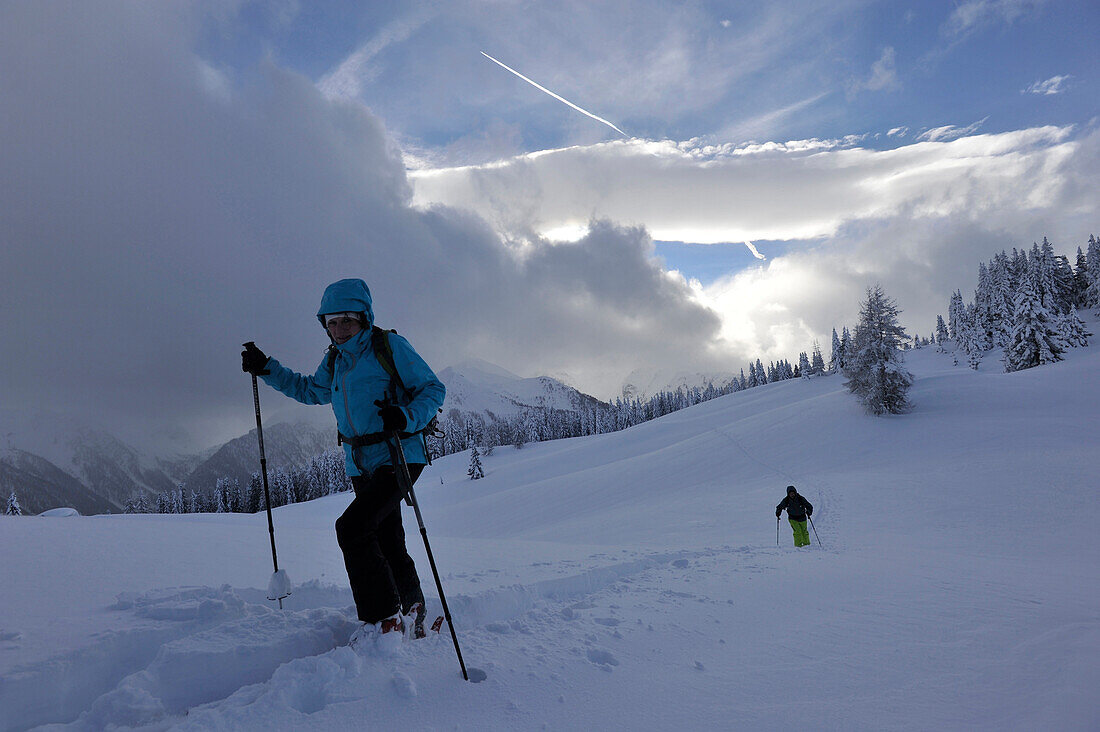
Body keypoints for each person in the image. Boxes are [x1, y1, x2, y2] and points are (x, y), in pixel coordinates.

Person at [242, 278, 446, 646]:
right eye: (331, 323)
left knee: (351, 528)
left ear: (364, 319)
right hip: (360, 461)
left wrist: (404, 415)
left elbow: (432, 389)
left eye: (346, 321)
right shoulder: (335, 360)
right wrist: (267, 368)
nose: (338, 330)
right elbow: (310, 390)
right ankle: (412, 606)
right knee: (386, 538)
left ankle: (382, 620)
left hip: (399, 455)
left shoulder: (390, 346)